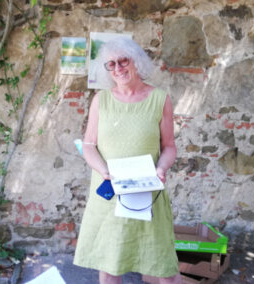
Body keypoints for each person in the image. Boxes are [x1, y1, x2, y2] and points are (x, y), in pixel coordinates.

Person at [73, 37, 181, 284]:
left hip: (147, 193)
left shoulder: (159, 99)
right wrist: (104, 171)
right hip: (110, 193)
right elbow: (88, 145)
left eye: (123, 61)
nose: (118, 68)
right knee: (110, 263)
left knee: (162, 262)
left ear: (137, 62)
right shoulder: (101, 100)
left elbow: (169, 147)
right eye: (111, 64)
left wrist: (162, 167)